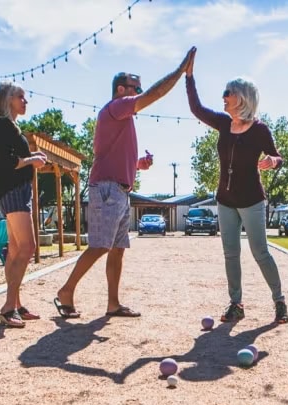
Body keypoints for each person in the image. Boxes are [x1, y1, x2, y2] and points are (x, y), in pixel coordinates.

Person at [55, 48, 196, 319]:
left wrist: (138, 165)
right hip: (107, 189)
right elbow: (152, 96)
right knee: (100, 246)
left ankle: (113, 304)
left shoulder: (123, 118)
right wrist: (179, 72)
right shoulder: (117, 108)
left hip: (119, 189)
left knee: (117, 250)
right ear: (121, 89)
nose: (138, 91)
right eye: (134, 87)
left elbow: (114, 154)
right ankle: (66, 291)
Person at [184, 51, 287, 324]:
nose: (223, 97)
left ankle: (279, 301)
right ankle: (236, 304)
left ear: (241, 96)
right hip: (225, 200)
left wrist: (272, 161)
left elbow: (278, 157)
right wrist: (189, 76)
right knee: (231, 253)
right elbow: (196, 109)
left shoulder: (260, 129)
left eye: (227, 92)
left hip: (252, 200)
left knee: (260, 252)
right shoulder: (223, 124)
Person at [0, 82, 47, 328]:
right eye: (20, 97)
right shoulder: (3, 125)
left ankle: (16, 305)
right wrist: (32, 159)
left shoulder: (10, 126)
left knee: (14, 250)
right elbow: (6, 162)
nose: (25, 101)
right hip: (13, 191)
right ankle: (8, 306)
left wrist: (31, 160)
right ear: (7, 99)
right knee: (28, 247)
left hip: (16, 191)